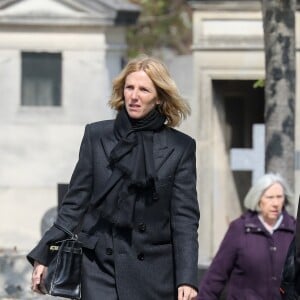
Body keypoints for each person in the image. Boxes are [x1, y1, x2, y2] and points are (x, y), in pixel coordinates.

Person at [27, 55, 200, 300]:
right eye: (129, 88)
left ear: (159, 97)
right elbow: (75, 202)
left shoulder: (180, 147)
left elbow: (184, 219)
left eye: (144, 90)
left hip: (154, 272)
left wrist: (187, 278)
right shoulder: (97, 136)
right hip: (99, 267)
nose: (134, 96)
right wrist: (45, 253)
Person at [197, 173, 295, 300]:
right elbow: (216, 276)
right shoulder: (240, 229)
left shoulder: (293, 231)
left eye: (279, 197)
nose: (275, 203)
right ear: (258, 199)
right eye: (270, 197)